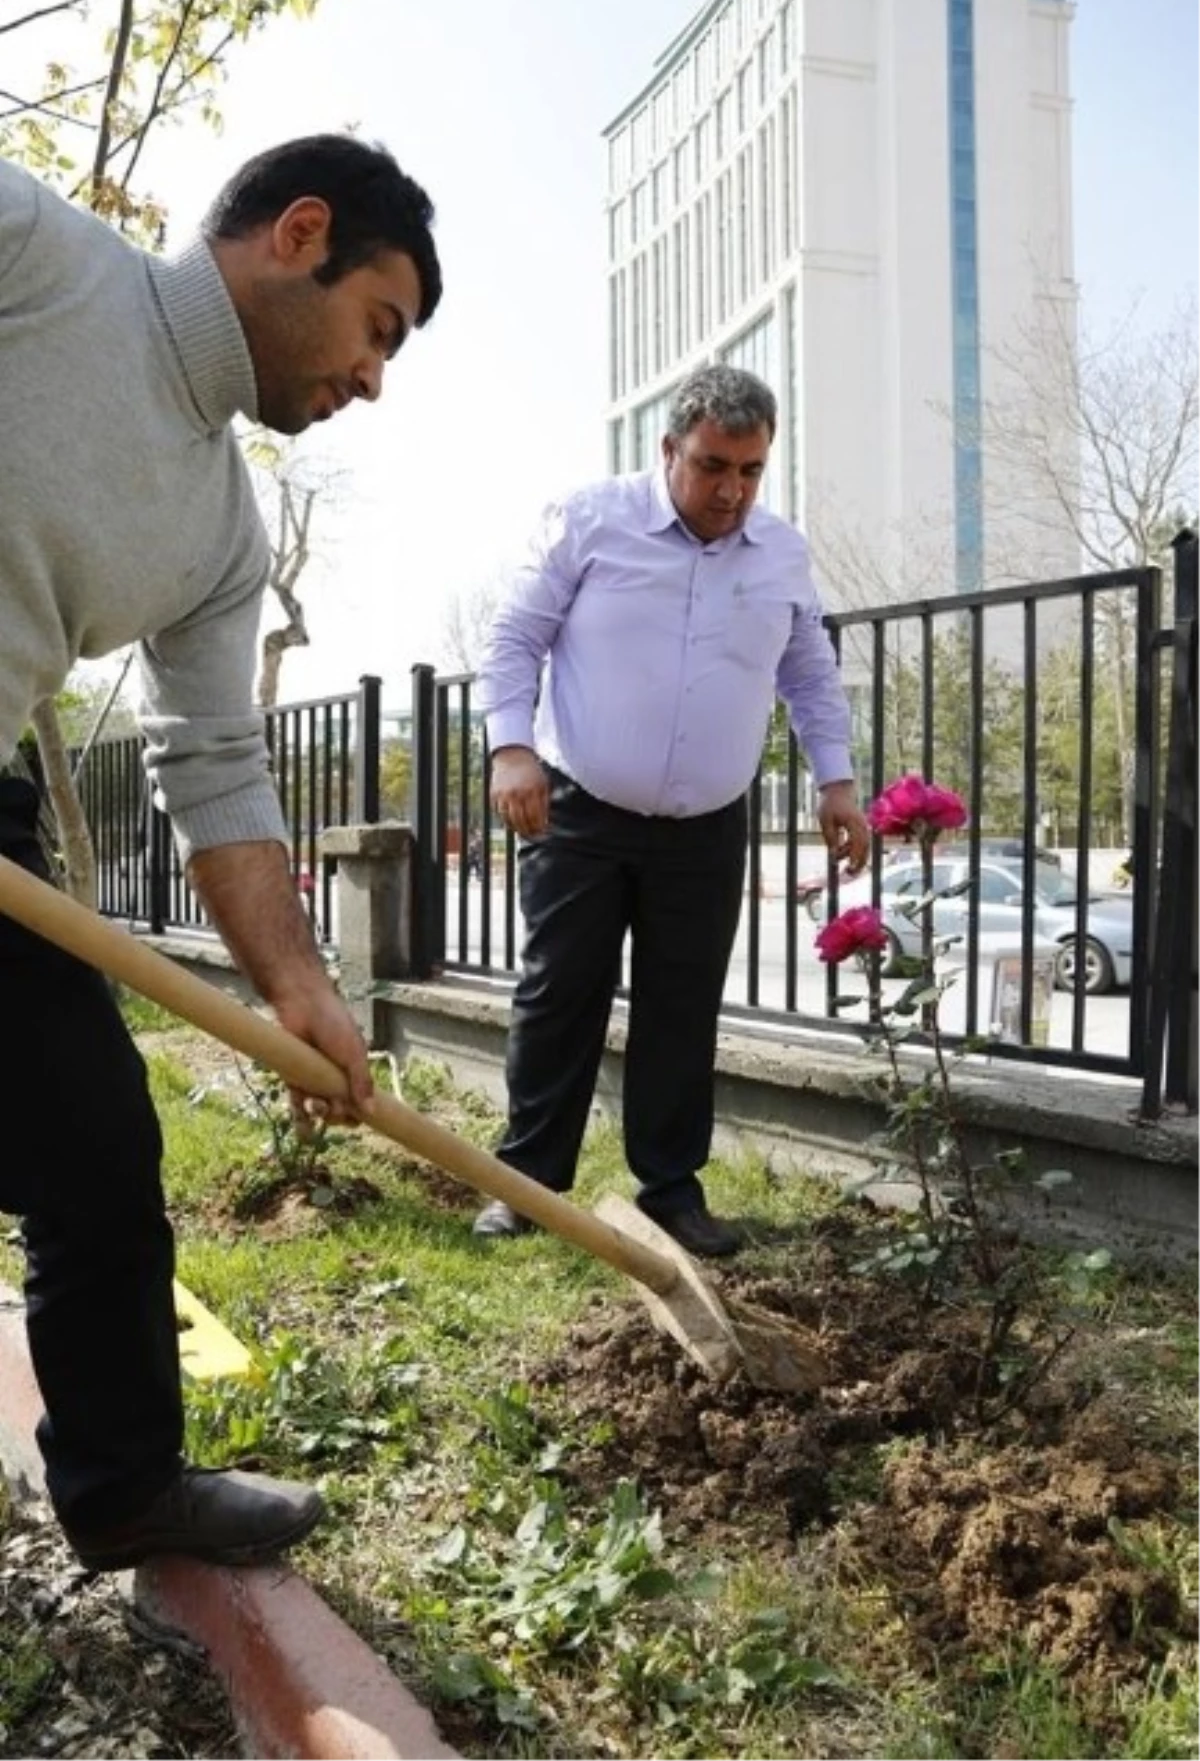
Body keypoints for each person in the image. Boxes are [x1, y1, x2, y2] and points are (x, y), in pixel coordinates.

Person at [0, 134, 441, 1570]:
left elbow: (214, 764)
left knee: (95, 1141)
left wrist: (297, 986)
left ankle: (124, 1487)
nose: (377, 379)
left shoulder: (221, 532)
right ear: (298, 232)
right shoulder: (37, 259)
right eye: (379, 326)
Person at [473, 365, 868, 1259]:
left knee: (681, 1005)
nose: (732, 489)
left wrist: (835, 780)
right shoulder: (591, 519)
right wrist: (510, 745)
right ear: (669, 449)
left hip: (707, 824)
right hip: (581, 809)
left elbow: (808, 672)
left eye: (752, 469)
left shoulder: (782, 554)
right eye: (713, 465)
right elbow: (514, 637)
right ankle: (527, 1184)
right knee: (559, 992)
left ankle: (671, 1189)